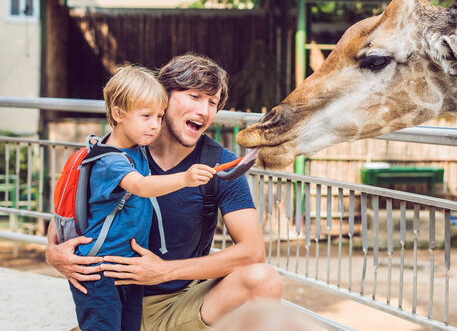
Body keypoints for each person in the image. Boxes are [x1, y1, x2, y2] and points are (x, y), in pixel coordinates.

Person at [46, 53, 282, 330]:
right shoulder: (117, 154)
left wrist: (163, 271)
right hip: (113, 300)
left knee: (264, 279)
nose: (204, 111)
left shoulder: (218, 166)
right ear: (164, 96)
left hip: (178, 305)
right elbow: (60, 228)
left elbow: (252, 252)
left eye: (212, 102)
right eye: (195, 97)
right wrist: (53, 255)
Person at [67, 65, 216, 331]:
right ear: (118, 114)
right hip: (100, 271)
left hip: (127, 270)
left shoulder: (137, 150)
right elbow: (140, 185)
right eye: (146, 116)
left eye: (159, 116)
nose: (155, 125)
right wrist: (185, 178)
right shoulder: (110, 161)